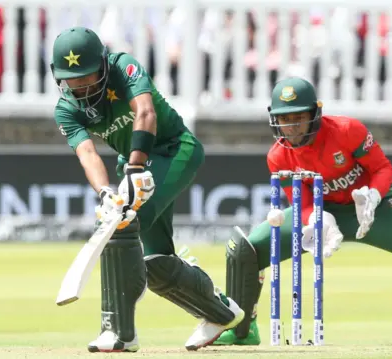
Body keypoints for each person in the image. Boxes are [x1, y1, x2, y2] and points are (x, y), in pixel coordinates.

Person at [213, 76, 392, 346]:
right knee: (245, 250)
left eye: (298, 119)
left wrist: (373, 195)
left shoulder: (347, 130)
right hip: (322, 211)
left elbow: (382, 168)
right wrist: (317, 219)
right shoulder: (279, 156)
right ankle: (242, 328)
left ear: (315, 114)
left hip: (372, 207)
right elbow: (301, 203)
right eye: (284, 120)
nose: (291, 128)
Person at [51, 26, 244, 353]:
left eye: (87, 77)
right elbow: (87, 153)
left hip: (173, 148)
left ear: (102, 64)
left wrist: (136, 168)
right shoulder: (66, 110)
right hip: (132, 164)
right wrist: (104, 193)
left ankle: (118, 332)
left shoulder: (124, 67)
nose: (81, 87)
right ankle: (221, 313)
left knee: (122, 224)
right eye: (72, 80)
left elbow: (146, 111)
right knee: (154, 261)